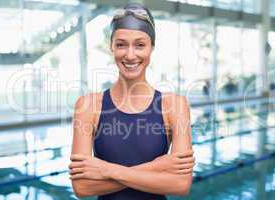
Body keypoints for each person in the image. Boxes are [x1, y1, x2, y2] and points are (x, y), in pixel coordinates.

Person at [69, 3, 195, 200]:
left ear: (152, 47)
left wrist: (106, 170)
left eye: (140, 45)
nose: (130, 55)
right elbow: (82, 188)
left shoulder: (175, 106)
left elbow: (180, 184)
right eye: (121, 44)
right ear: (111, 47)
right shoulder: (88, 106)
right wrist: (158, 168)